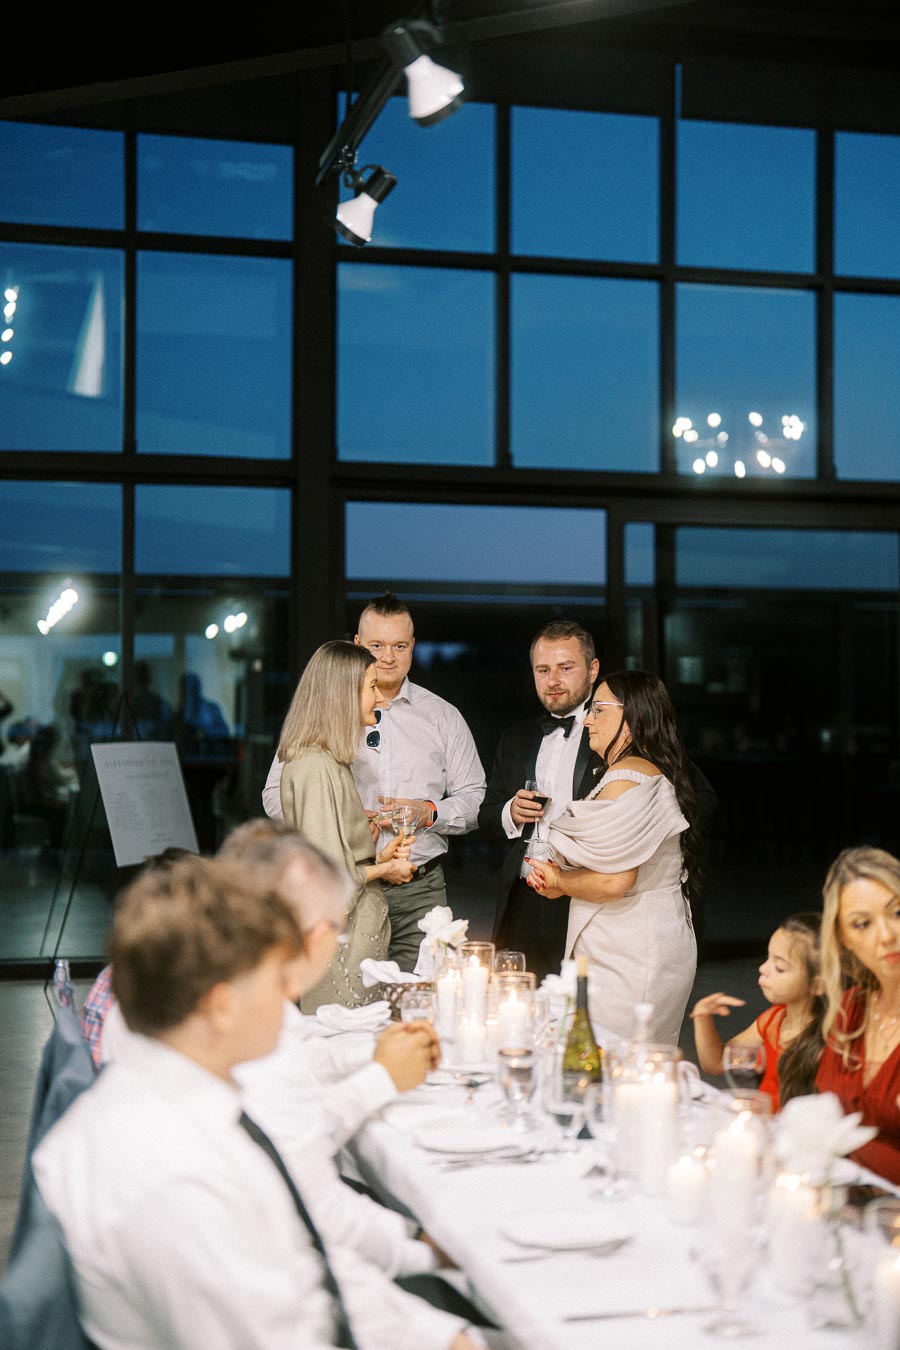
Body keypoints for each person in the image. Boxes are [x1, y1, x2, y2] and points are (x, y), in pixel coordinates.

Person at [33, 855, 485, 1350]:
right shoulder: (173, 1175)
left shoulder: (190, 1098)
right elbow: (282, 1332)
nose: (290, 996)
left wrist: (445, 1336)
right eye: (274, 977)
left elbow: (306, 1262)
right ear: (222, 1004)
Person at [264, 593, 486, 970]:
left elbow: (476, 799)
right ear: (356, 645)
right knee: (349, 1012)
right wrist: (338, 819)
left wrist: (429, 813)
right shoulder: (324, 717)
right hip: (344, 889)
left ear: (413, 646)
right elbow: (275, 796)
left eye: (399, 645)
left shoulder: (443, 717)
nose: (388, 657)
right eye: (376, 646)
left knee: (418, 1006)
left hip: (420, 887)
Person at [527, 670, 699, 1045]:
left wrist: (558, 882)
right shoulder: (650, 769)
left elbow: (614, 880)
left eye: (599, 709)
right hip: (649, 937)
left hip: (630, 950)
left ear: (633, 717)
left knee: (618, 1059)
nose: (588, 719)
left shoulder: (626, 779)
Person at [276, 640, 407, 1009]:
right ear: (342, 694)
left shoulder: (326, 762)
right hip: (340, 950)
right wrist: (385, 870)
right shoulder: (316, 768)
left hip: (351, 945)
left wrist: (378, 857)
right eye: (371, 688)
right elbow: (330, 885)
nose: (379, 700)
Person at [478, 619, 601, 981]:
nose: (553, 680)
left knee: (580, 1012)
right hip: (523, 898)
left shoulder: (615, 732)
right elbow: (486, 815)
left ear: (593, 670)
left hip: (585, 895)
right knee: (517, 1007)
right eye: (543, 670)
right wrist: (510, 812)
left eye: (566, 668)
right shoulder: (515, 738)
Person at [816, 845, 900, 1184]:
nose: (887, 935)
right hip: (847, 1205)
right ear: (844, 939)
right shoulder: (852, 1009)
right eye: (862, 924)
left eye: (898, 912)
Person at [690, 913, 825, 1111]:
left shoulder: (829, 1041)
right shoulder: (774, 1020)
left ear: (817, 985)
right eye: (767, 958)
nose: (763, 968)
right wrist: (703, 1018)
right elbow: (718, 1063)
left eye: (779, 967)